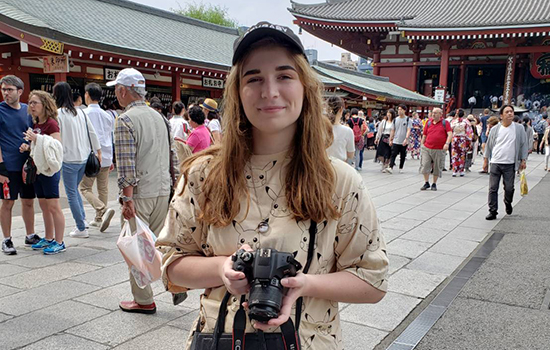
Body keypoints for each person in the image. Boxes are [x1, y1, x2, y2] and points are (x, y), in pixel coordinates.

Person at [156, 22, 388, 350]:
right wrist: (222, 268)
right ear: (237, 91)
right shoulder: (204, 174)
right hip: (219, 339)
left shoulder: (338, 181)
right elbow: (170, 265)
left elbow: (373, 281)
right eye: (254, 79)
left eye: (284, 75)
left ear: (305, 86)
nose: (270, 92)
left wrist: (304, 284)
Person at [109, 67, 177, 314]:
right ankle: (175, 284)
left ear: (123, 90)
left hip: (140, 194)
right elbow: (173, 156)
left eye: (117, 90)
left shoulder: (125, 120)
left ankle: (144, 299)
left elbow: (126, 165)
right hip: (163, 189)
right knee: (159, 244)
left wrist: (127, 198)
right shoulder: (160, 117)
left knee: (137, 248)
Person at [20, 90, 65, 254]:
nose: (31, 106)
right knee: (44, 206)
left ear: (44, 105)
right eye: (30, 103)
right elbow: (38, 145)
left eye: (35, 103)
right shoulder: (36, 123)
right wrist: (28, 146)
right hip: (38, 169)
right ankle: (48, 237)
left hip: (49, 170)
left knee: (53, 206)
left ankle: (59, 241)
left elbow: (56, 145)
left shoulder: (51, 123)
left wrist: (37, 139)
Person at [54, 82, 101, 238]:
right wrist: (98, 152)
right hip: (84, 157)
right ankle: (83, 221)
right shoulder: (80, 112)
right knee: (74, 190)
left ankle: (81, 227)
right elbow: (92, 133)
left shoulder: (58, 113)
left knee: (71, 193)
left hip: (68, 158)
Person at [0, 75, 39, 255]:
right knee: (8, 202)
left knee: (29, 201)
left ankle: (30, 234)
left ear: (20, 91)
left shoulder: (27, 110)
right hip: (8, 165)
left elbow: (33, 133)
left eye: (9, 89)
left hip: (27, 165)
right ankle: (7, 239)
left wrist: (29, 144)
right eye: (3, 89)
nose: (5, 93)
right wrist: (0, 167)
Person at [80, 83, 116, 233]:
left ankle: (101, 209)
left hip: (91, 156)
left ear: (87, 94)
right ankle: (99, 218)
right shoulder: (108, 115)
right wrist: (112, 157)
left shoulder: (83, 114)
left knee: (85, 187)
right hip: (106, 155)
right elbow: (111, 135)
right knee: (103, 188)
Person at [483, 105, 528, 220]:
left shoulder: (519, 128)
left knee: (509, 188)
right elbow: (489, 145)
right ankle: (492, 211)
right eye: (507, 112)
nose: (510, 114)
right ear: (501, 115)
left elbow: (523, 144)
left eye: (511, 112)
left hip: (510, 163)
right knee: (493, 188)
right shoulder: (495, 129)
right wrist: (486, 160)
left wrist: (523, 160)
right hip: (496, 162)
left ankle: (508, 202)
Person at [419, 108, 452, 191]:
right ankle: (426, 182)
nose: (433, 114)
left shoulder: (445, 123)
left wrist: (447, 143)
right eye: (433, 113)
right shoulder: (428, 122)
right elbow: (425, 134)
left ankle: (434, 183)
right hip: (427, 147)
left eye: (436, 113)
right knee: (425, 165)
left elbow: (450, 134)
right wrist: (422, 144)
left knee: (437, 166)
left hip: (439, 148)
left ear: (441, 114)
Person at [325, 96, 354, 164]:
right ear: (341, 110)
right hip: (341, 167)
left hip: (322, 168)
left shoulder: (318, 129)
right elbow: (350, 155)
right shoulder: (347, 131)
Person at [388, 104, 412, 174]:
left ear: (404, 110)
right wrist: (391, 139)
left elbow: (408, 130)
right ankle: (391, 167)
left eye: (401, 109)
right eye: (398, 109)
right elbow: (393, 130)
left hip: (404, 140)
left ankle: (401, 167)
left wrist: (406, 138)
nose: (399, 111)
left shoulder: (408, 120)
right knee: (393, 154)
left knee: (403, 155)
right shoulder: (395, 120)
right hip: (396, 140)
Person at [450, 109, 473, 177]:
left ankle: (454, 170)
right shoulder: (466, 122)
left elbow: (450, 130)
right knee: (462, 155)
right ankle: (461, 170)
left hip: (455, 139)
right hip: (462, 139)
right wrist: (469, 141)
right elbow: (469, 132)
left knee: (454, 155)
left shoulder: (453, 122)